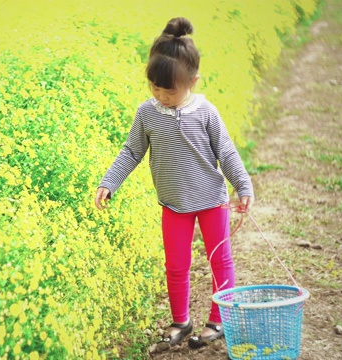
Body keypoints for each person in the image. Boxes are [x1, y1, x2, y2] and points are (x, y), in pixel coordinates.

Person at [93, 17, 254, 350]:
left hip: (211, 199)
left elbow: (226, 151)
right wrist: (110, 181)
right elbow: (131, 151)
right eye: (154, 87)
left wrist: (243, 185)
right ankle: (181, 321)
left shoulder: (206, 112)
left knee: (219, 259)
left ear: (193, 81)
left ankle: (218, 320)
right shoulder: (147, 113)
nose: (161, 95)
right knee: (176, 264)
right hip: (173, 203)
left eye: (170, 90)